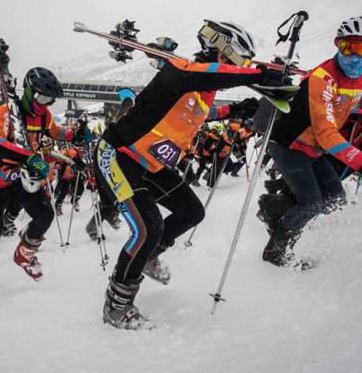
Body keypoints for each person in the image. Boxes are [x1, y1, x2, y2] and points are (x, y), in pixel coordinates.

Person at [95, 19, 288, 329]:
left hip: (150, 164)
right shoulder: (180, 70)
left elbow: (199, 111)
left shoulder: (199, 89)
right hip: (119, 155)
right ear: (225, 53)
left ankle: (147, 257)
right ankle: (116, 307)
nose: (246, 65)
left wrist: (233, 110)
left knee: (191, 211)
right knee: (147, 229)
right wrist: (256, 74)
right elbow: (197, 76)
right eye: (243, 59)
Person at [259, 16, 362, 268]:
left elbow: (341, 113)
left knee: (334, 198)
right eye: (347, 46)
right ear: (337, 44)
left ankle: (273, 207)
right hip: (289, 143)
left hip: (313, 145)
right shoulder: (322, 78)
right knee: (312, 203)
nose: (354, 55)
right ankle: (276, 252)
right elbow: (326, 132)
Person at [0, 67, 74, 289]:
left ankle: (25, 253)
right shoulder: (7, 111)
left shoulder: (44, 115)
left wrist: (71, 134)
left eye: (50, 100)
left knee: (45, 214)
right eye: (42, 97)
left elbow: (54, 131)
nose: (45, 104)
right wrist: (31, 158)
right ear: (29, 91)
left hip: (21, 175)